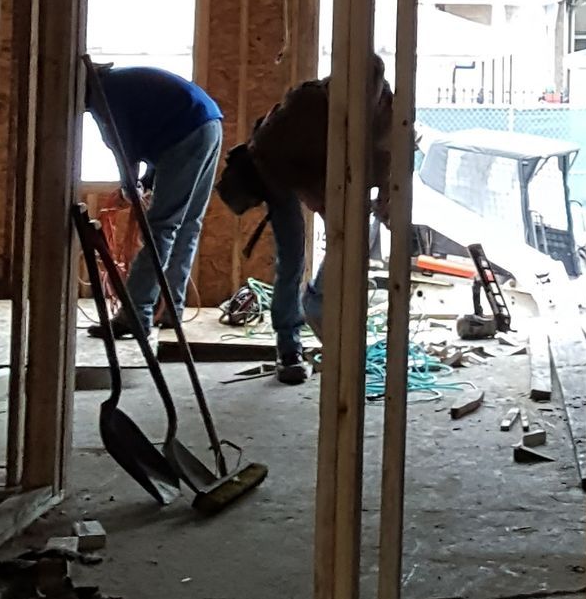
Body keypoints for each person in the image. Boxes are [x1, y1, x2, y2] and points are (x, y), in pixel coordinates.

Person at [220, 58, 393, 385]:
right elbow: (267, 152)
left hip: (333, 175)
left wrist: (387, 196)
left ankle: (324, 312)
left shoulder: (386, 110)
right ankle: (288, 345)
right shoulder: (307, 103)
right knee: (292, 256)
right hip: (279, 173)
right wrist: (311, 195)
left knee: (350, 241)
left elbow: (393, 156)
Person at [86, 62, 225, 340]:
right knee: (186, 225)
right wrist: (145, 181)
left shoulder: (104, 96)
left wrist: (129, 187)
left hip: (186, 131)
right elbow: (153, 135)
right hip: (207, 125)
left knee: (161, 227)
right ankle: (170, 309)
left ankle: (135, 315)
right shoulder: (121, 84)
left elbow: (123, 149)